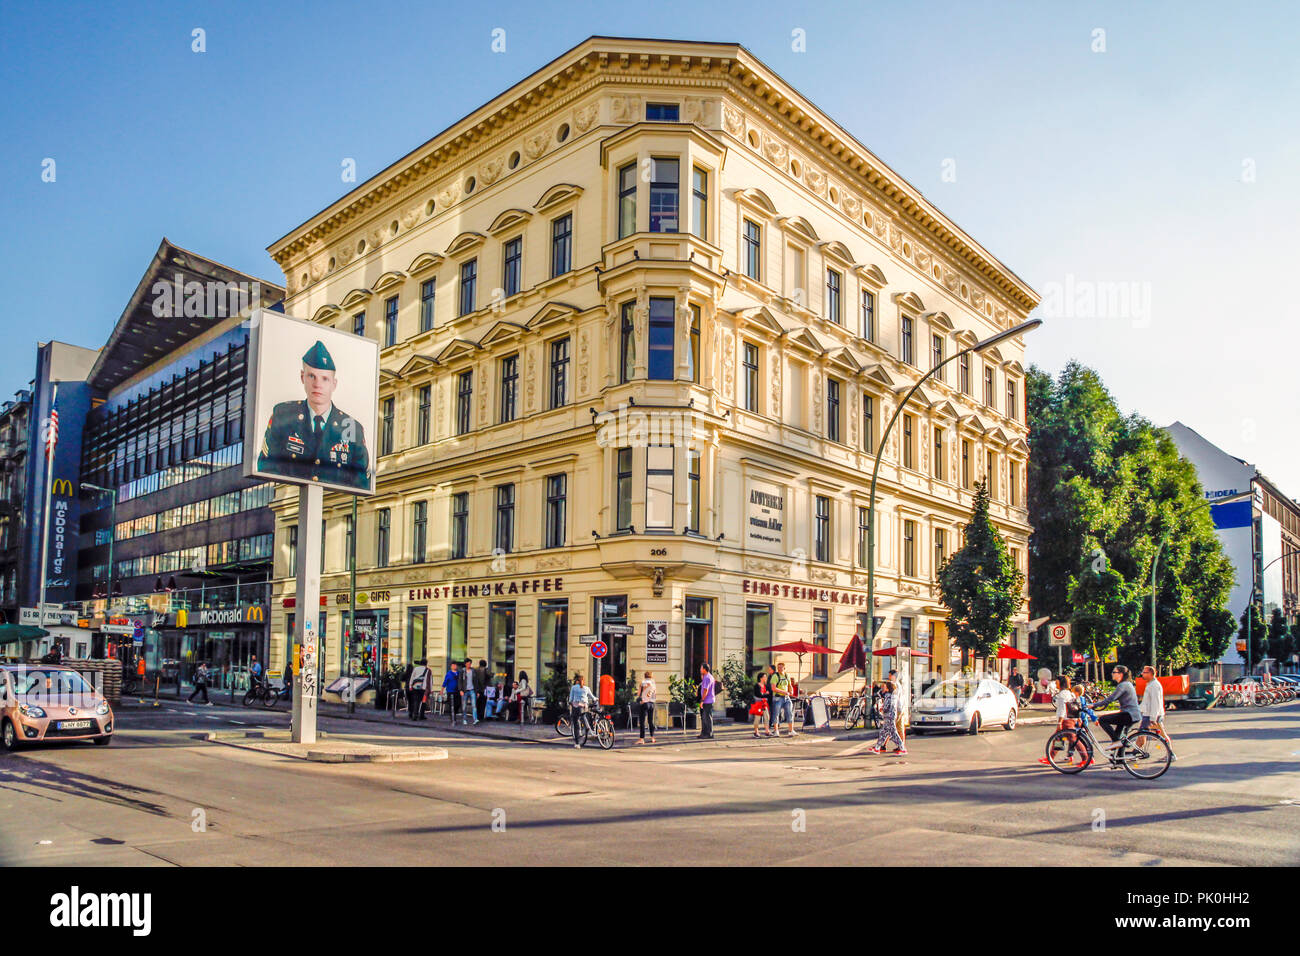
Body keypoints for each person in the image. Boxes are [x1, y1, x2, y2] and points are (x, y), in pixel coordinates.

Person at [257, 339, 371, 490]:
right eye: (312, 376)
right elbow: (266, 466)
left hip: (333, 506)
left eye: (325, 379)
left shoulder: (351, 427)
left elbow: (361, 482)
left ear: (333, 384)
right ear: (302, 377)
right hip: (293, 503)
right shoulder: (283, 416)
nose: (318, 384)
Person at [1093, 665, 1142, 757]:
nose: (1112, 674)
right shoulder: (1127, 684)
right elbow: (1111, 700)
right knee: (1118, 735)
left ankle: (1118, 742)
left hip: (1129, 715)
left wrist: (1093, 705)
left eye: (1114, 672)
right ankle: (1119, 758)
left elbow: (1110, 699)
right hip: (1132, 714)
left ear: (1120, 674)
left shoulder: (1123, 685)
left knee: (1103, 720)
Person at [1039, 675, 1083, 766]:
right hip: (1071, 719)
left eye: (1057, 682)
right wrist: (1078, 718)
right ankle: (1050, 758)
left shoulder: (1063, 694)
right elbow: (1075, 706)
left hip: (1066, 721)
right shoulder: (1069, 693)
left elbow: (1062, 709)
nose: (1055, 684)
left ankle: (1086, 758)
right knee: (1058, 739)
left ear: (1061, 683)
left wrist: (1060, 722)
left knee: (1073, 739)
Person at [1137, 666, 1175, 761]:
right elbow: (1147, 702)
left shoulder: (1154, 685)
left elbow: (1155, 703)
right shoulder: (1150, 684)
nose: (1142, 674)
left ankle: (1171, 755)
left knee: (1162, 735)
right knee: (1141, 734)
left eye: (1145, 672)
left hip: (1152, 716)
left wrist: (1153, 718)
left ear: (1151, 674)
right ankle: (1136, 752)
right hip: (1149, 714)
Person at [869, 680, 907, 755]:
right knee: (883, 732)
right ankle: (877, 748)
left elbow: (888, 705)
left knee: (893, 733)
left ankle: (902, 748)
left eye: (885, 687)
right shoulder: (893, 695)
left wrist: (883, 709)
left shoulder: (888, 695)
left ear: (888, 688)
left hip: (889, 716)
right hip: (891, 715)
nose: (883, 688)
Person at [568, 673, 597, 748]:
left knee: (576, 725)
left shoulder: (573, 688)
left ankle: (577, 743)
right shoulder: (587, 688)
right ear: (583, 681)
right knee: (584, 715)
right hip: (584, 706)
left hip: (576, 707)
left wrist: (570, 703)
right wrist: (596, 699)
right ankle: (587, 726)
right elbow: (593, 697)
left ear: (577, 681)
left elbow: (570, 699)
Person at [769, 661, 796, 737]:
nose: (780, 669)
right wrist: (784, 692)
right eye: (778, 668)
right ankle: (776, 731)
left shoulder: (787, 675)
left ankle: (791, 730)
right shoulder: (775, 676)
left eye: (781, 667)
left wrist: (791, 691)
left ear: (784, 668)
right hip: (777, 698)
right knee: (776, 714)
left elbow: (790, 685)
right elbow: (773, 688)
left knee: (789, 713)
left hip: (786, 698)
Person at [638, 670, 657, 744]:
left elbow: (638, 693)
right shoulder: (653, 683)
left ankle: (642, 739)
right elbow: (655, 694)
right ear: (651, 676)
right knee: (650, 721)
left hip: (644, 703)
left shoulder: (642, 683)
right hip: (651, 704)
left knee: (642, 722)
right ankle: (652, 737)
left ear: (645, 676)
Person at [698, 663, 716, 739]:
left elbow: (706, 690)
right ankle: (704, 733)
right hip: (707, 700)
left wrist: (702, 700)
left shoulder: (707, 678)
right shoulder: (707, 676)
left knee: (707, 717)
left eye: (701, 668)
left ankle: (709, 733)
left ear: (704, 669)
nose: (700, 669)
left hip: (707, 701)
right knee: (705, 717)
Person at [459, 657, 478, 726]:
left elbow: (476, 681)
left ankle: (475, 719)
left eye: (470, 663)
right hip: (464, 690)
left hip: (472, 690)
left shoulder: (473, 671)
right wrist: (460, 690)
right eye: (468, 663)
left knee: (474, 705)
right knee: (464, 706)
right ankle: (464, 719)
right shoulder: (462, 671)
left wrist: (477, 691)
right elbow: (460, 681)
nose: (469, 665)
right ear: (465, 664)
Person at [751, 670, 770, 738]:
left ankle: (767, 731)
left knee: (767, 717)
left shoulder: (766, 686)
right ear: (761, 678)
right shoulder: (757, 685)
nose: (766, 678)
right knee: (757, 718)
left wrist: (764, 694)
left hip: (764, 704)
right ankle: (756, 732)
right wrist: (765, 694)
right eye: (765, 677)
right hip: (758, 704)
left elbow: (768, 694)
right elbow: (758, 695)